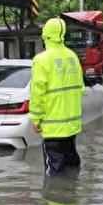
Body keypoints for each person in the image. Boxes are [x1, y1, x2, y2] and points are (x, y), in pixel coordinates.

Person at [30, 17, 85, 176]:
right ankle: (73, 193)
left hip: (52, 125)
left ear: (45, 34)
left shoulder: (41, 60)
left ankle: (56, 197)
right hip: (71, 125)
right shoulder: (72, 56)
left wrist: (36, 119)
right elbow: (80, 88)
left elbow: (37, 93)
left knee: (54, 168)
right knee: (71, 160)